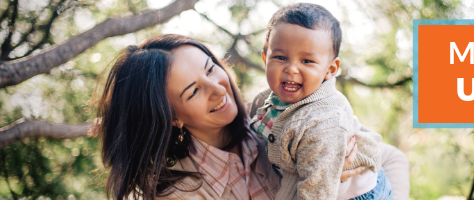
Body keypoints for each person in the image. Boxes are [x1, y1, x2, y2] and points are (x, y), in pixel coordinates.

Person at [95, 34, 408, 200]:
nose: (218, 89)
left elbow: (393, 160)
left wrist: (339, 176)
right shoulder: (179, 193)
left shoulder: (273, 118)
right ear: (171, 117)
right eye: (193, 92)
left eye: (210, 69)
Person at [248, 3, 390, 200]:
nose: (292, 69)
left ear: (330, 69)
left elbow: (315, 194)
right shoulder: (264, 100)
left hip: (358, 194)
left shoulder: (324, 123)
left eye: (306, 61)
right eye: (280, 57)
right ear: (265, 59)